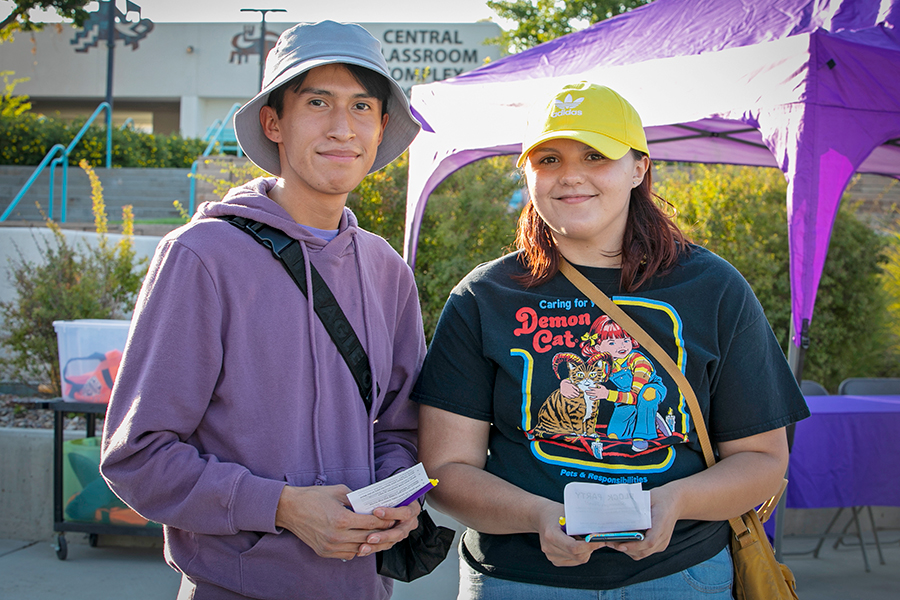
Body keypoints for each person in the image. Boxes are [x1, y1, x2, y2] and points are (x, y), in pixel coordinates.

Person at [412, 81, 810, 599]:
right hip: (517, 581)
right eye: (549, 158)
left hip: (680, 577)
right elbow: (446, 468)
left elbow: (762, 459)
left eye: (596, 155)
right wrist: (538, 516)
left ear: (639, 168)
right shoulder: (483, 296)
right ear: (528, 174)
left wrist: (675, 502)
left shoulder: (714, 288)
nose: (571, 175)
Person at [100, 20, 426, 600]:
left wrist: (399, 499)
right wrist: (282, 507)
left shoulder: (386, 271)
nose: (341, 128)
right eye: (317, 102)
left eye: (361, 106)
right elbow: (138, 456)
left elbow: (398, 429)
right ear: (274, 122)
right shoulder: (201, 257)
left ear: (380, 128)